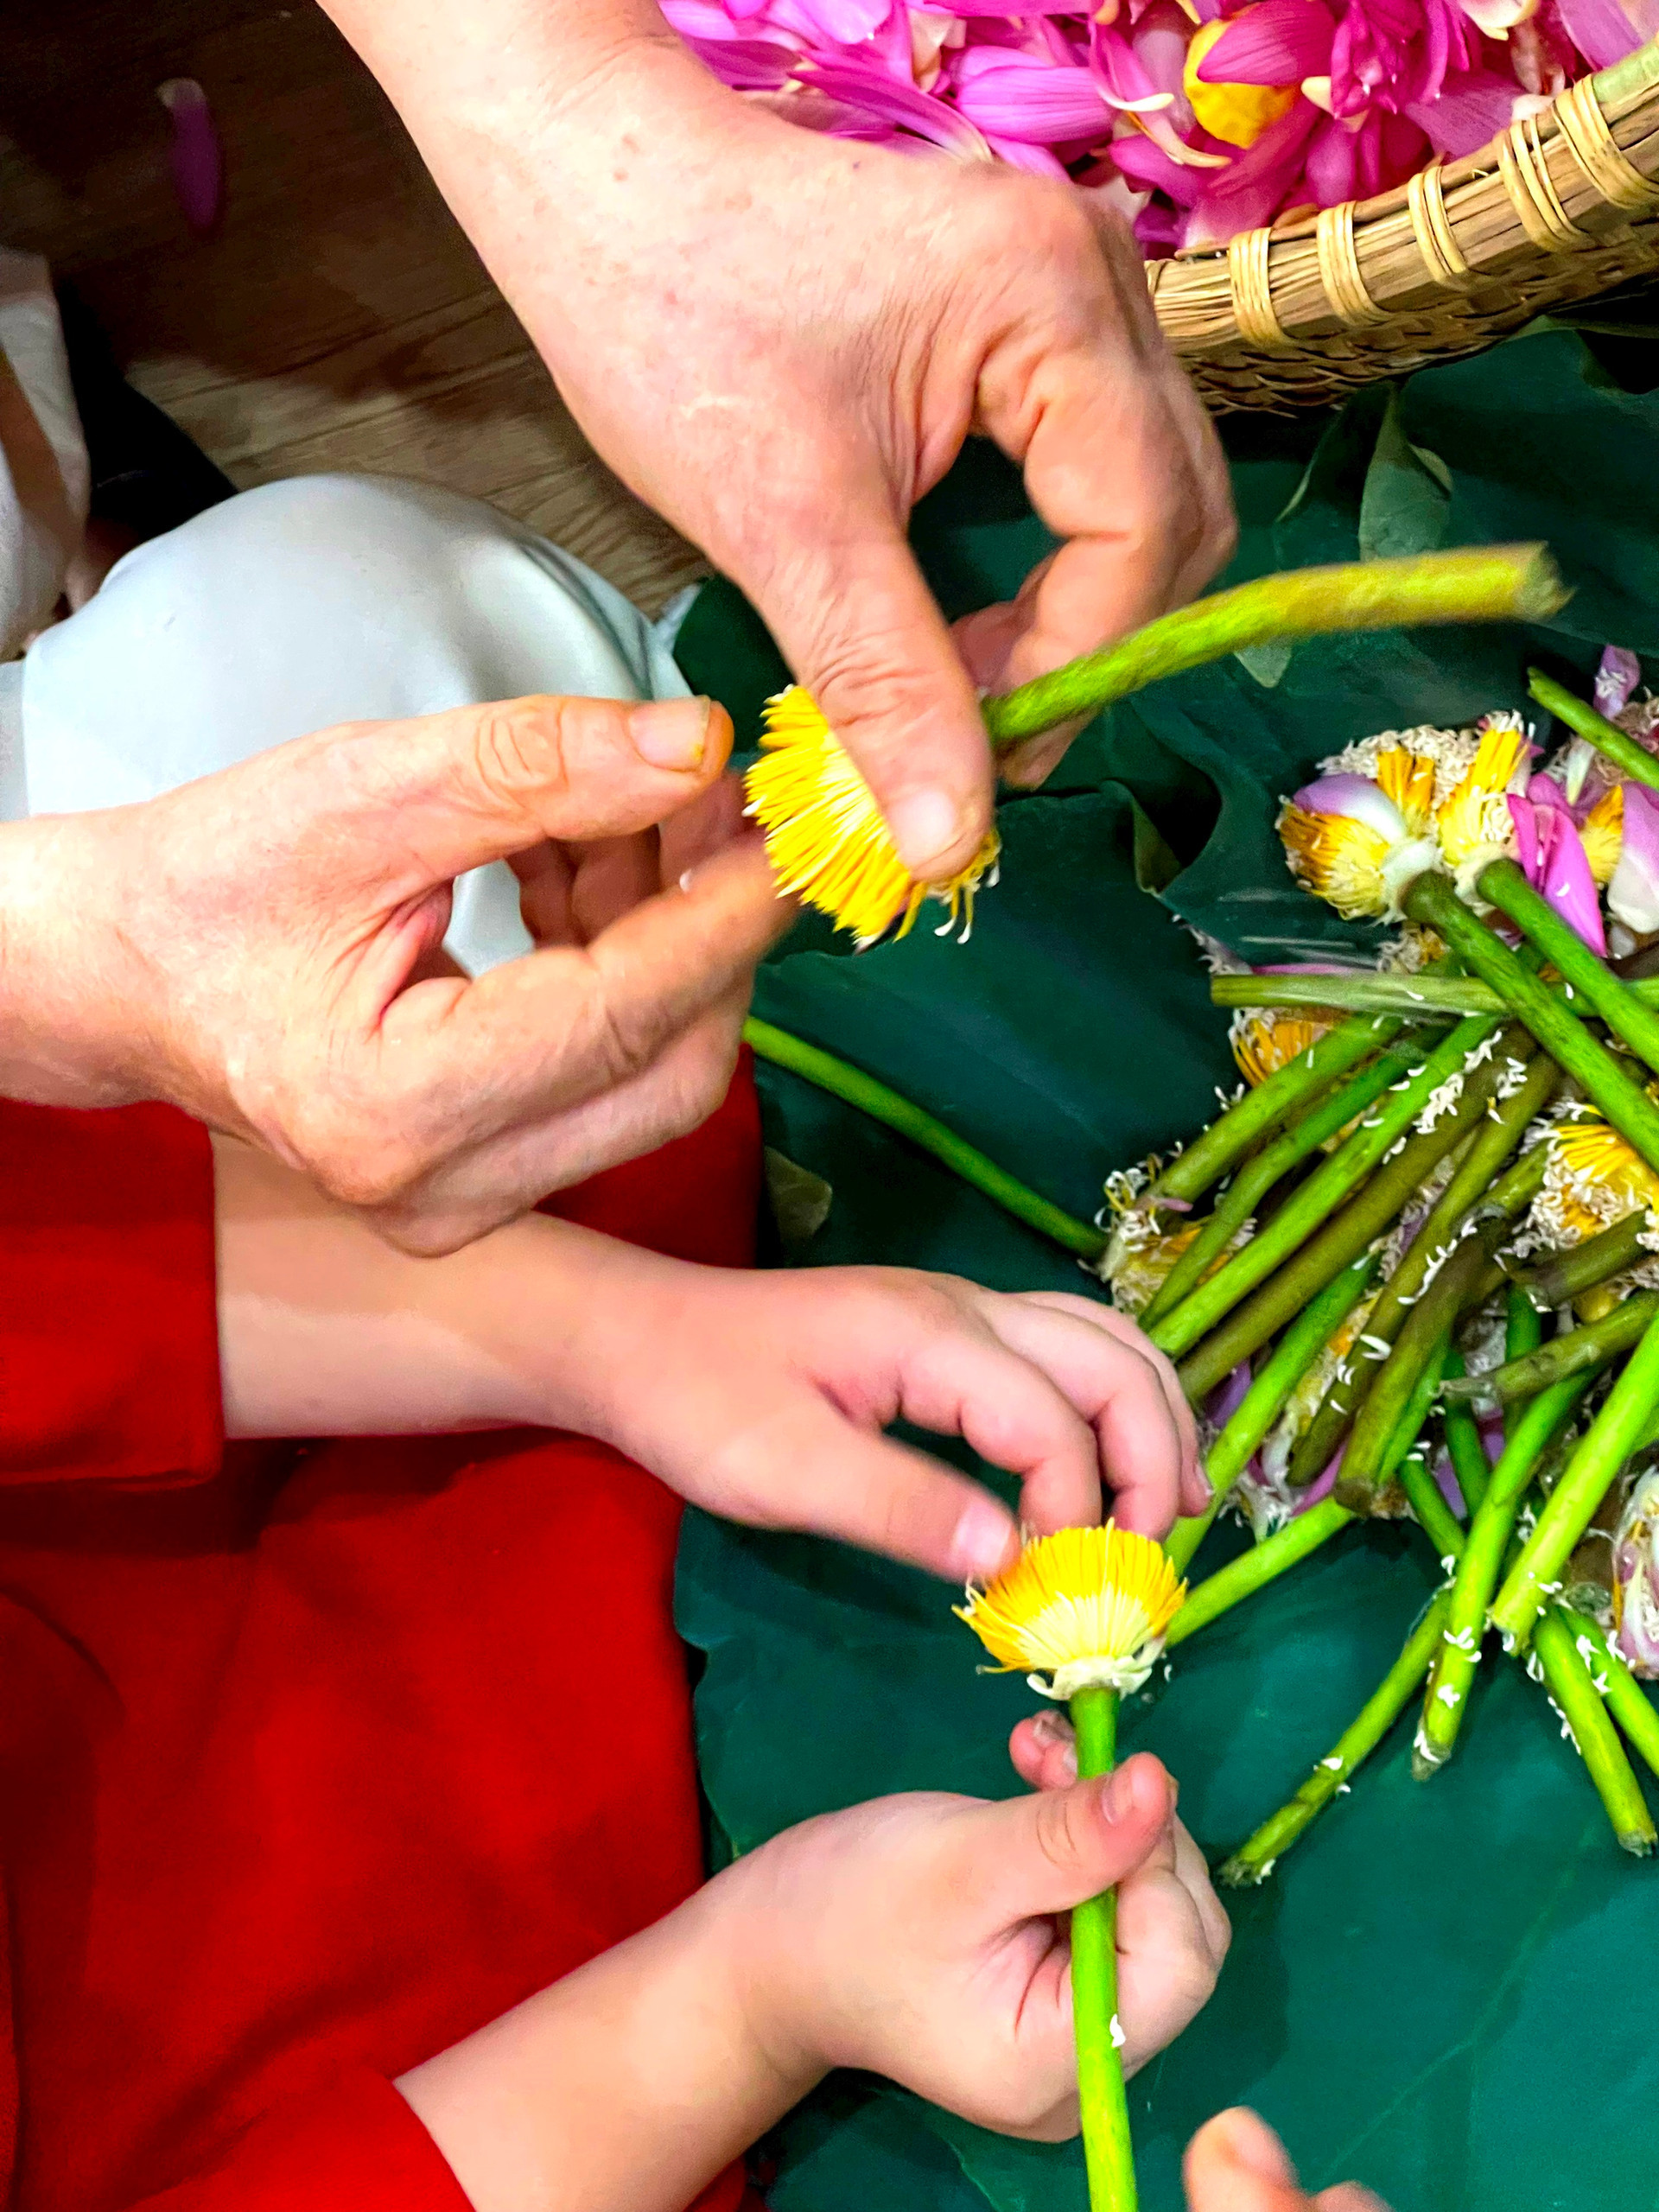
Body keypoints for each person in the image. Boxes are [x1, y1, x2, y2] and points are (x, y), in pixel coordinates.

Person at [0, 473, 1388, 2209]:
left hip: (215, 1381)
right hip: (463, 2082)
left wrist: (617, 1333)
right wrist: (753, 1993)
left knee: (320, 595)